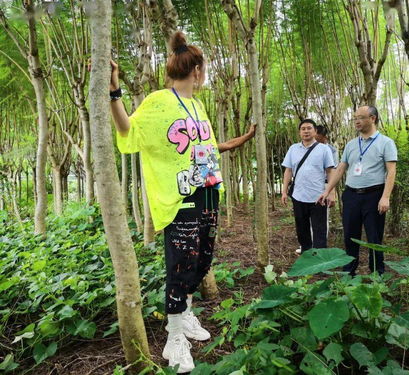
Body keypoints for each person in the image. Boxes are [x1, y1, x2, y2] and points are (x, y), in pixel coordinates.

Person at [109, 31, 254, 373]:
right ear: (198, 71)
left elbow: (204, 147)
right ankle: (175, 338)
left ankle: (185, 313)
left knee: (203, 261)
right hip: (180, 196)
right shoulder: (159, 101)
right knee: (181, 265)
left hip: (208, 190)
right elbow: (128, 130)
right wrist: (115, 91)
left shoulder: (198, 105)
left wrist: (236, 143)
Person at [318, 106, 397, 276]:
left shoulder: (386, 143)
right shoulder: (352, 144)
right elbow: (340, 169)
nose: (357, 121)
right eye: (354, 118)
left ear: (373, 118)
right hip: (351, 195)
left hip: (374, 196)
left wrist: (385, 197)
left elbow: (391, 171)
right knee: (350, 236)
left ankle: (377, 274)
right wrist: (327, 190)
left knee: (374, 238)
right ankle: (349, 273)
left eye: (360, 117)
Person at [281, 119, 335, 254]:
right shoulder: (293, 149)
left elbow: (330, 172)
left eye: (309, 128)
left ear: (315, 131)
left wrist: (331, 193)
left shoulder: (324, 149)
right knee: (301, 228)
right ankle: (306, 253)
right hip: (298, 195)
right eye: (303, 129)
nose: (306, 131)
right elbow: (288, 171)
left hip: (319, 196)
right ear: (299, 132)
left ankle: (320, 258)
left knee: (319, 229)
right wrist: (284, 192)